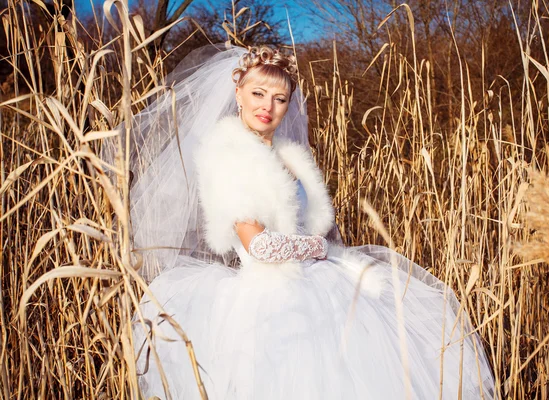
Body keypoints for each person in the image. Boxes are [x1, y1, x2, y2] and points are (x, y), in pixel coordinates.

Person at [130, 44, 495, 399]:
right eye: (258, 93)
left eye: (279, 98)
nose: (267, 106)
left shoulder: (284, 155)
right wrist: (320, 247)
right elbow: (259, 245)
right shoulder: (230, 156)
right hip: (273, 296)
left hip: (315, 280)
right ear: (238, 92)